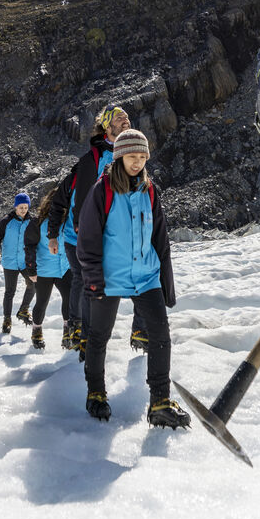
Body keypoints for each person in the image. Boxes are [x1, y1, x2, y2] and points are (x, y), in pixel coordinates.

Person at [76, 129, 189, 429]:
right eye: (131, 156)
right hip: (110, 277)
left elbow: (160, 239)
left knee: (160, 336)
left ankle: (160, 403)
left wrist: (166, 283)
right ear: (119, 157)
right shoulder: (103, 190)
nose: (137, 162)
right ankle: (96, 393)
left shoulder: (150, 190)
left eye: (142, 157)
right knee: (99, 337)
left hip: (146, 275)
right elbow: (87, 238)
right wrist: (93, 280)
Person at [47, 104, 147, 358]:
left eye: (127, 116)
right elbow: (74, 198)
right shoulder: (92, 159)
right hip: (83, 235)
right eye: (119, 117)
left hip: (113, 233)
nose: (126, 119)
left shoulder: (132, 156)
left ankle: (140, 331)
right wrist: (58, 233)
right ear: (106, 125)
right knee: (89, 283)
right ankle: (83, 336)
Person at [22, 185, 73, 350]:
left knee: (70, 300)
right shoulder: (37, 224)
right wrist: (31, 269)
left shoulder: (69, 223)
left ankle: (68, 333)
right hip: (44, 271)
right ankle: (36, 332)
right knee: (42, 302)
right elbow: (29, 247)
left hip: (65, 269)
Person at [0, 192, 35, 335]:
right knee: (10, 291)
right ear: (15, 207)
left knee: (33, 284)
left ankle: (23, 310)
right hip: (9, 262)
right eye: (21, 207)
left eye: (26, 207)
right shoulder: (6, 221)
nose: (23, 210)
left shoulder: (32, 221)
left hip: (24, 261)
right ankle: (7, 320)